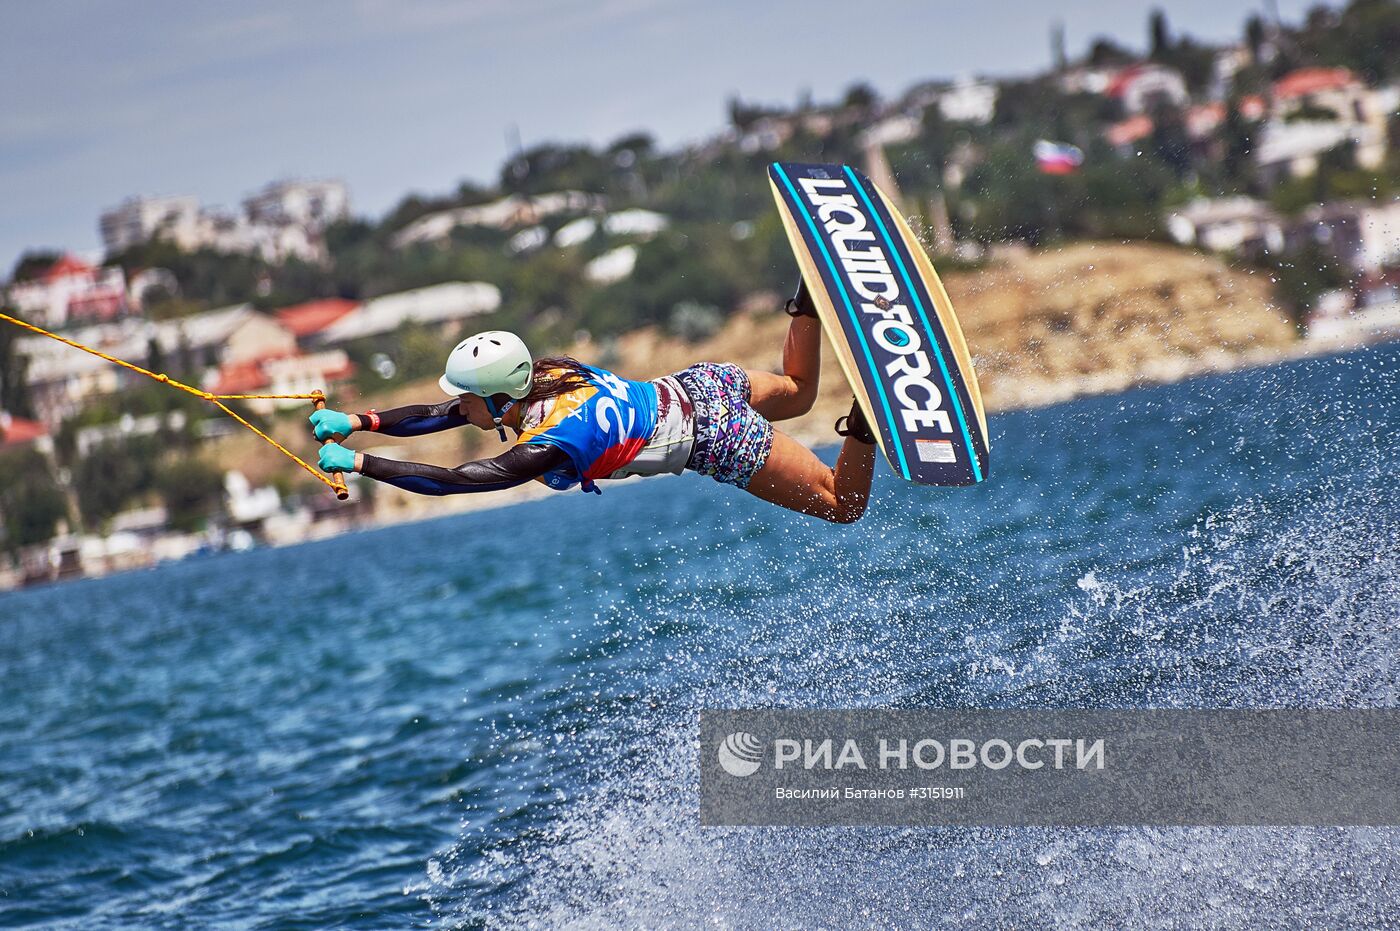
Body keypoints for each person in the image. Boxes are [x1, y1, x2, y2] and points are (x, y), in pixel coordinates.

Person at [310, 285, 877, 523]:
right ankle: (806, 301)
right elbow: (436, 415)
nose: (456, 408)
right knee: (800, 393)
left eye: (466, 400)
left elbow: (454, 481)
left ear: (500, 397)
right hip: (703, 382)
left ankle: (866, 423)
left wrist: (361, 463)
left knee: (841, 503)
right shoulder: (548, 372)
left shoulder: (550, 444)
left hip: (716, 435)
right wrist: (358, 422)